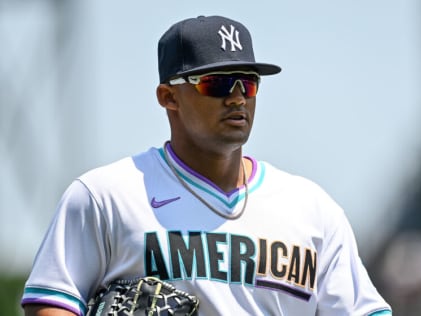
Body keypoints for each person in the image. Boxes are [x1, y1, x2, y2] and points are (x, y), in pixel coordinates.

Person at [22, 15, 392, 316]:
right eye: (216, 83)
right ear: (169, 97)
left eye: (247, 84)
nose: (236, 99)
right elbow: (51, 302)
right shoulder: (105, 197)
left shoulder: (314, 210)